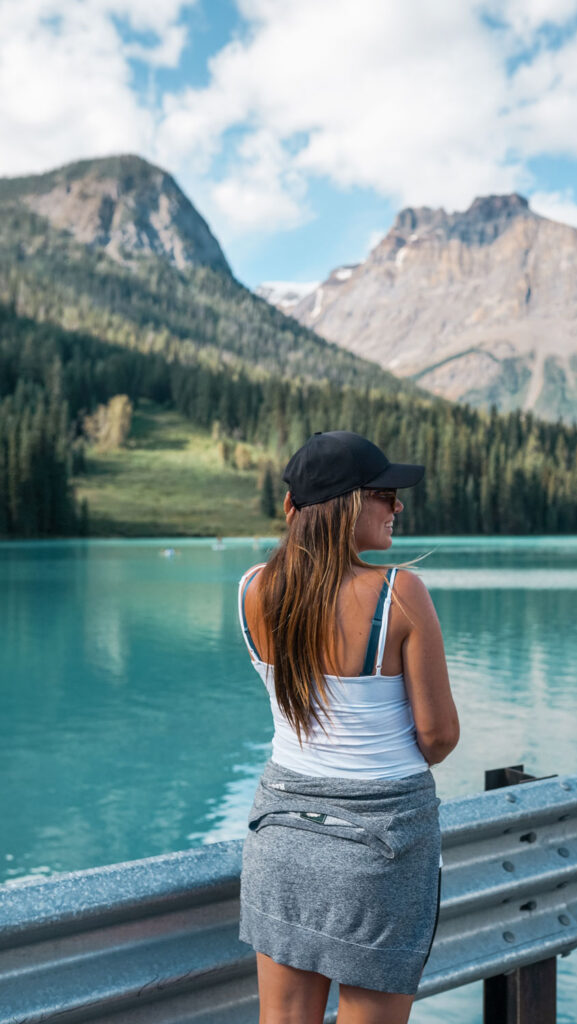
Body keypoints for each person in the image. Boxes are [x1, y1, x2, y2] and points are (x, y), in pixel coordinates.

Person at [237, 430, 460, 1024]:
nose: (398, 506)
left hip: (280, 835)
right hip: (381, 844)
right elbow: (439, 737)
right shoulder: (400, 594)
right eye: (385, 493)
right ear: (347, 505)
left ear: (291, 510)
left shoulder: (253, 589)